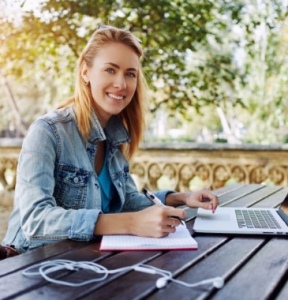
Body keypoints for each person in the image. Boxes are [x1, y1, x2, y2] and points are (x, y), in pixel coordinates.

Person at [1, 25, 218, 256]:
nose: (121, 84)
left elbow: (127, 200)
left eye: (130, 73)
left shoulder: (116, 135)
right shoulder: (48, 132)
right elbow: (36, 220)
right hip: (30, 265)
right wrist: (129, 223)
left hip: (85, 261)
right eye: (110, 70)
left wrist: (182, 198)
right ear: (86, 71)